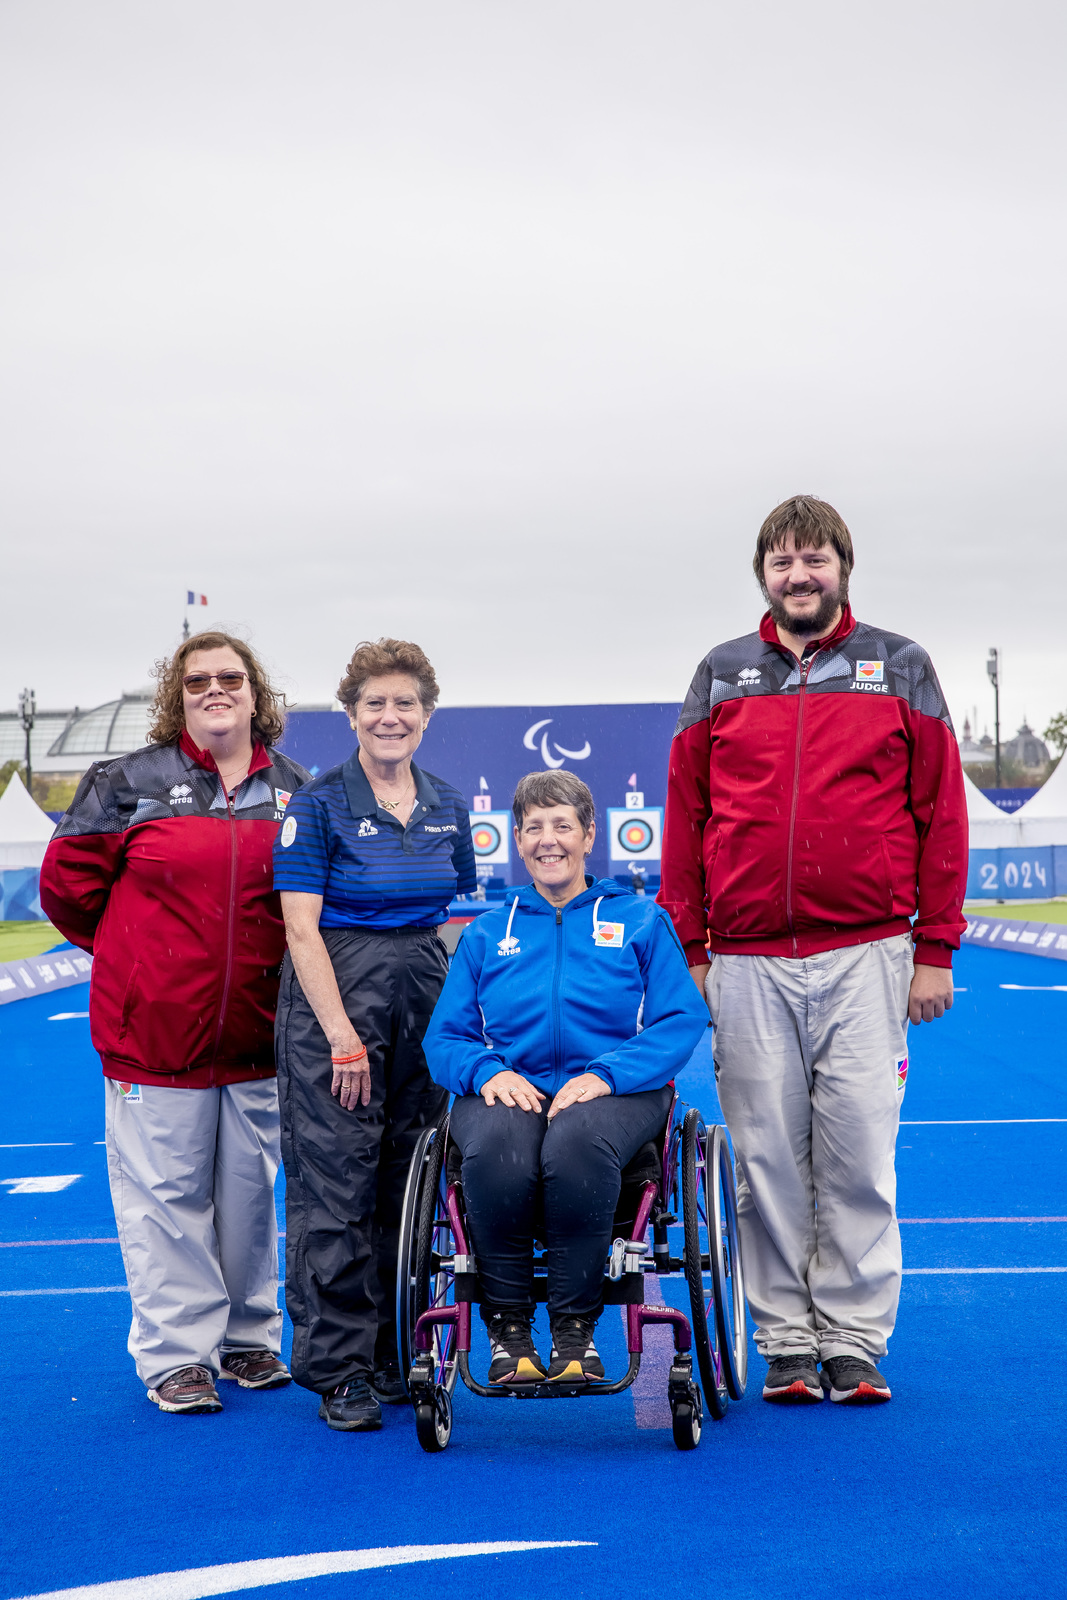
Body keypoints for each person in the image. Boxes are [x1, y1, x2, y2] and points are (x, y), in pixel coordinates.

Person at [658, 495, 968, 1406]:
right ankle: (787, 1339)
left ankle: (854, 1339)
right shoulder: (721, 672)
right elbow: (687, 819)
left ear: (843, 567)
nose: (799, 576)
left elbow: (937, 814)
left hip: (869, 950)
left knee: (859, 1153)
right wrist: (691, 947)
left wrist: (935, 948)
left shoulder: (899, 666)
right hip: (747, 958)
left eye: (815, 560)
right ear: (763, 574)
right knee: (764, 1158)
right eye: (782, 562)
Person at [40, 631, 310, 1415]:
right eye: (199, 681)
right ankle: (177, 1357)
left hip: (260, 1037)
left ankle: (249, 1339)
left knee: (251, 1200)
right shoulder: (125, 782)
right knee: (165, 1202)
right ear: (178, 695)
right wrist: (138, 962)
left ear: (256, 694)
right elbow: (68, 892)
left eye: (231, 678)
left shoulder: (297, 788)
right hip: (154, 1038)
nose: (215, 691)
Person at [423, 770, 708, 1387]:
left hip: (618, 1092)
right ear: (517, 841)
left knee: (576, 1141)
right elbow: (443, 1039)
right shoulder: (484, 934)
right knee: (498, 1147)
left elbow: (682, 1018)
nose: (547, 841)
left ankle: (576, 1332)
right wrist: (484, 1070)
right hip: (510, 1088)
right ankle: (509, 1333)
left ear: (588, 834)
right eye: (533, 828)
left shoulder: (638, 919)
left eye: (561, 826)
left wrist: (607, 1075)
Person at [273, 637, 476, 1432]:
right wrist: (341, 1037)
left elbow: (453, 920)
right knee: (337, 1186)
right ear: (350, 713)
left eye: (405, 704)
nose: (390, 716)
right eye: (375, 703)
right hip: (338, 993)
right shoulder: (317, 806)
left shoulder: (447, 805)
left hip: (421, 990)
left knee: (413, 1180)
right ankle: (339, 1370)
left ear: (426, 715)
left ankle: (398, 1352)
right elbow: (299, 932)